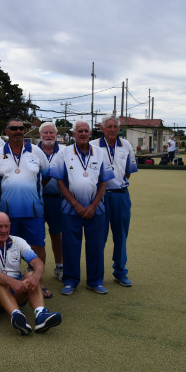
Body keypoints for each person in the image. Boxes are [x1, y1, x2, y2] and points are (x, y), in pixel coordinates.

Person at [0, 118, 52, 299]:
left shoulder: (37, 151)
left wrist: (30, 190)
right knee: (7, 247)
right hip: (6, 214)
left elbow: (46, 175)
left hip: (33, 211)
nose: (18, 131)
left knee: (37, 247)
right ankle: (9, 282)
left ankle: (38, 282)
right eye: (14, 128)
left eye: (21, 128)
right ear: (6, 131)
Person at [51, 120, 114, 295]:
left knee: (96, 246)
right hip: (70, 209)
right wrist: (77, 205)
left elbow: (104, 182)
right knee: (71, 247)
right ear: (74, 134)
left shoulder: (100, 153)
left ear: (90, 133)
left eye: (86, 131)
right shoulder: (63, 153)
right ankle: (70, 281)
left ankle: (95, 281)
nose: (84, 134)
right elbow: (60, 182)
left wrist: (93, 206)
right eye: (80, 131)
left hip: (96, 209)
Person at [0, 212, 62, 336]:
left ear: (10, 226)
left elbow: (38, 263)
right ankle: (16, 315)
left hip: (17, 291)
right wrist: (12, 282)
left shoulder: (18, 241)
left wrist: (36, 277)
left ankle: (41, 315)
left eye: (6, 226)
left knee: (31, 274)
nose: (3, 230)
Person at [90, 114, 138, 287]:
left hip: (120, 195)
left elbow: (128, 172)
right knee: (98, 237)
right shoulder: (93, 145)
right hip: (99, 197)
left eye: (115, 127)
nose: (112, 130)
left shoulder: (126, 145)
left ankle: (120, 271)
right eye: (108, 126)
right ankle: (96, 275)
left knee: (121, 236)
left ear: (119, 128)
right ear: (101, 128)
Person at [37, 122, 64, 281]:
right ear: (40, 135)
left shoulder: (64, 151)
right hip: (36, 199)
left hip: (56, 199)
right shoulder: (32, 150)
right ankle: (34, 267)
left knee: (56, 234)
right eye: (45, 133)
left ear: (56, 134)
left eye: (51, 133)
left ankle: (59, 266)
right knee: (36, 235)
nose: (48, 136)